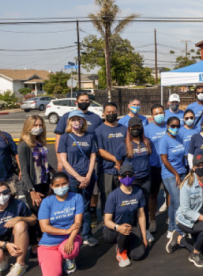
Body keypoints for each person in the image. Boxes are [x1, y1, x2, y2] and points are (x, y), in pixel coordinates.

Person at [57, 110, 99, 246]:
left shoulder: (89, 136)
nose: (76, 122)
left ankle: (87, 235)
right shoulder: (65, 137)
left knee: (86, 206)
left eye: (79, 119)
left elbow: (93, 156)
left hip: (88, 177)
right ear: (69, 121)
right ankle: (73, 235)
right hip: (72, 179)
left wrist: (87, 176)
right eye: (73, 119)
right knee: (73, 208)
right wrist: (78, 177)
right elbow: (63, 160)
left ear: (83, 122)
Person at [170, 155, 203, 268]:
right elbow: (185, 211)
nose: (201, 167)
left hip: (202, 219)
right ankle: (195, 253)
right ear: (193, 167)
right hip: (185, 220)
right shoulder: (187, 184)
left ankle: (180, 239)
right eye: (198, 165)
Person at [37, 172, 84, 276]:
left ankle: (69, 258)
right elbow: (44, 228)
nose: (61, 187)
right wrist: (66, 231)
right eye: (57, 185)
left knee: (68, 251)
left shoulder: (77, 198)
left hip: (69, 238)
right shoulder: (46, 202)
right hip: (49, 243)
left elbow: (77, 223)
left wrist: (71, 239)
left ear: (68, 183)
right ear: (52, 186)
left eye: (63, 184)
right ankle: (49, 256)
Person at [102, 164, 148, 267]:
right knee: (124, 231)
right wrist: (118, 227)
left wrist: (144, 236)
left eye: (130, 175)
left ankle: (124, 243)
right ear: (119, 177)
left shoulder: (139, 192)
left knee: (138, 255)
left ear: (134, 176)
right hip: (113, 229)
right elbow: (107, 220)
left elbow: (141, 215)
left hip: (130, 227)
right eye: (124, 175)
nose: (127, 178)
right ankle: (121, 251)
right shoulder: (113, 195)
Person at [116, 117, 155, 233]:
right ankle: (129, 230)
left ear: (141, 128)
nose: (135, 130)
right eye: (133, 128)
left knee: (144, 205)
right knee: (131, 206)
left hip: (145, 179)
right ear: (129, 129)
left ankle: (145, 230)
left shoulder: (147, 142)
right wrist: (123, 178)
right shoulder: (123, 145)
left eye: (138, 127)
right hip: (131, 180)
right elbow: (118, 164)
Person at [17, 115, 49, 255]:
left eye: (40, 125)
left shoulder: (39, 142)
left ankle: (42, 238)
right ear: (28, 126)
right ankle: (34, 244)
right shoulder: (24, 145)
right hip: (33, 186)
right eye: (35, 125)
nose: (38, 128)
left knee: (43, 214)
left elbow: (43, 162)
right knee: (34, 216)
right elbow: (24, 171)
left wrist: (53, 172)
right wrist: (31, 191)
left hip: (43, 183)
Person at [54, 93, 101, 171]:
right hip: (70, 162)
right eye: (81, 100)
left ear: (90, 102)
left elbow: (99, 139)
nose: (84, 102)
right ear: (76, 102)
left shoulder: (96, 118)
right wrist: (60, 161)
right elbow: (58, 139)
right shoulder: (67, 116)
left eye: (86, 100)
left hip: (88, 164)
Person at [159, 116, 187, 245]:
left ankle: (171, 227)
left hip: (182, 172)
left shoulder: (179, 138)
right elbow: (164, 160)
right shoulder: (164, 140)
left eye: (177, 126)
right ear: (168, 126)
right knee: (177, 201)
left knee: (176, 202)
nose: (175, 128)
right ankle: (176, 230)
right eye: (173, 126)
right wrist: (176, 174)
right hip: (169, 174)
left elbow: (182, 156)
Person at [95, 102, 126, 218]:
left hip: (122, 170)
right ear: (103, 114)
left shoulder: (124, 129)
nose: (111, 114)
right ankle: (107, 224)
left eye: (113, 112)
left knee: (122, 198)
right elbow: (100, 151)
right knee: (107, 198)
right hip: (106, 170)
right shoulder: (99, 130)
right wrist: (116, 160)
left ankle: (120, 221)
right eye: (108, 112)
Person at [0, 181, 35, 276]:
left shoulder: (18, 204)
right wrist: (6, 245)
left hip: (15, 239)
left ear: (10, 192)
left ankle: (20, 265)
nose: (2, 196)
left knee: (21, 224)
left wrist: (20, 218)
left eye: (5, 192)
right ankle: (4, 258)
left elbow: (33, 220)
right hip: (2, 243)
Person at [144, 104, 168, 224]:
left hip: (168, 166)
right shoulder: (147, 129)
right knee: (153, 194)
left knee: (170, 193)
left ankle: (170, 217)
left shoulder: (169, 126)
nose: (159, 115)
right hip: (154, 167)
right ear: (152, 116)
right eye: (156, 114)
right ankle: (152, 219)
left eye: (161, 113)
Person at [0, 119, 17, 187]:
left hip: (7, 178)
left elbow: (16, 153)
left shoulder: (5, 136)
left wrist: (21, 170)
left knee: (11, 197)